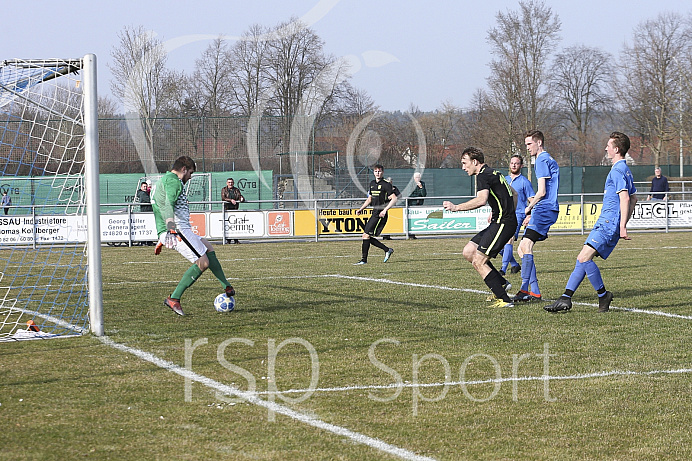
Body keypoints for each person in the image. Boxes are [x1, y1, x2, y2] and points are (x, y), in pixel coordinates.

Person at [544, 132, 637, 313]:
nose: (606, 148)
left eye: (608, 146)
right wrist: (622, 222)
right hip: (609, 222)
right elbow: (634, 198)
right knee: (582, 259)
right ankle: (565, 298)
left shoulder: (617, 170)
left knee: (583, 258)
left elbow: (626, 198)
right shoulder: (626, 169)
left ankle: (603, 295)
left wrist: (622, 225)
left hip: (608, 223)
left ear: (616, 149)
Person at [151, 156, 235, 316]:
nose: (190, 177)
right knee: (203, 262)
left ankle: (226, 286)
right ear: (183, 169)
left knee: (208, 248)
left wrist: (162, 234)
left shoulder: (164, 181)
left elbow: (159, 206)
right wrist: (169, 229)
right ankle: (174, 298)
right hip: (178, 229)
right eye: (190, 173)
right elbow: (167, 203)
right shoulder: (174, 181)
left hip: (178, 229)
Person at [442, 147, 517, 308]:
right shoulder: (494, 173)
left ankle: (505, 299)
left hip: (503, 223)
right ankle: (501, 284)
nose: (463, 167)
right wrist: (504, 210)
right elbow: (514, 193)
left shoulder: (483, 175)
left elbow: (481, 200)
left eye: (464, 163)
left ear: (475, 162)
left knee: (478, 261)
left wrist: (456, 208)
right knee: (469, 251)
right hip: (501, 221)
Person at [512, 130, 560, 303]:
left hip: (544, 208)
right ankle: (535, 291)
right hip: (546, 209)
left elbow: (541, 192)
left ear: (539, 143)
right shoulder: (548, 159)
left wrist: (529, 209)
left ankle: (525, 289)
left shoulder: (541, 160)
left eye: (529, 144)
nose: (527, 148)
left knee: (526, 245)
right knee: (521, 249)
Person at [354, 165, 397, 265]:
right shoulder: (372, 183)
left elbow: (394, 198)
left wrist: (385, 210)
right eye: (376, 171)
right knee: (366, 236)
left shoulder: (386, 185)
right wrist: (361, 209)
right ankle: (387, 250)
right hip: (375, 212)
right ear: (373, 172)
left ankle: (364, 260)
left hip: (380, 214)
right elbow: (370, 199)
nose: (378, 173)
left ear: (383, 172)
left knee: (366, 235)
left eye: (379, 171)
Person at [500, 155, 535, 275]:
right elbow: (500, 199)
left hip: (518, 215)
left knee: (509, 240)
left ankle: (503, 270)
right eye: (512, 163)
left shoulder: (525, 182)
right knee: (498, 245)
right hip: (504, 214)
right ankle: (514, 264)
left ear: (521, 165)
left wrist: (529, 214)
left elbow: (533, 199)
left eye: (517, 163)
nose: (514, 165)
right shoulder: (504, 180)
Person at [221, 178, 245, 244]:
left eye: (231, 182)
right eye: (229, 182)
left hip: (235, 209)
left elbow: (239, 196)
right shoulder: (224, 190)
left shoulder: (236, 190)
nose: (230, 183)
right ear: (227, 183)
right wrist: (231, 200)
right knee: (228, 225)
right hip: (227, 210)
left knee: (235, 225)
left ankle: (236, 240)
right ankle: (228, 240)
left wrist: (241, 198)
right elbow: (223, 198)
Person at [407, 171, 427, 239]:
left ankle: (415, 233)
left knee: (418, 219)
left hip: (419, 204)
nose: (417, 178)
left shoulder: (422, 183)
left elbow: (424, 194)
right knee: (411, 219)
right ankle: (410, 235)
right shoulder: (411, 184)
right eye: (416, 177)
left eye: (419, 177)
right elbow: (410, 194)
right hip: (412, 204)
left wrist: (421, 187)